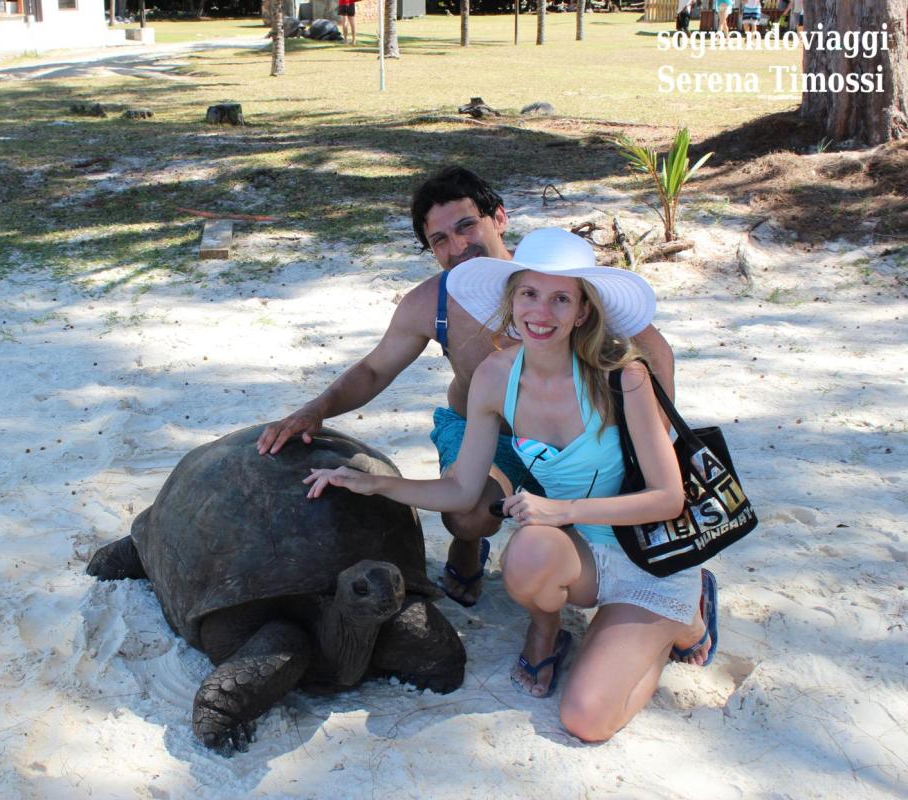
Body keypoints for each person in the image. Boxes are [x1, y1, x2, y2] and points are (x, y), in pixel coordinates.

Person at [303, 228, 717, 743]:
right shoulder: (496, 376)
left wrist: (562, 511)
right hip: (584, 558)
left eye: (560, 298)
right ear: (512, 301)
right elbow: (462, 491)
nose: (541, 312)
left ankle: (680, 618)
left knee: (585, 720)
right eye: (529, 294)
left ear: (582, 312)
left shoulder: (622, 376)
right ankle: (557, 631)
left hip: (650, 556)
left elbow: (668, 499)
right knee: (526, 552)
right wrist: (375, 485)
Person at [257, 166, 675, 609]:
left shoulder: (559, 281)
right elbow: (375, 370)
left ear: (499, 217)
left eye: (466, 226)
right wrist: (316, 410)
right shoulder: (431, 303)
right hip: (486, 434)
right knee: (468, 511)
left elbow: (657, 354)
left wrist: (655, 441)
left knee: (614, 510)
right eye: (439, 240)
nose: (457, 247)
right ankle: (469, 543)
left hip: (574, 437)